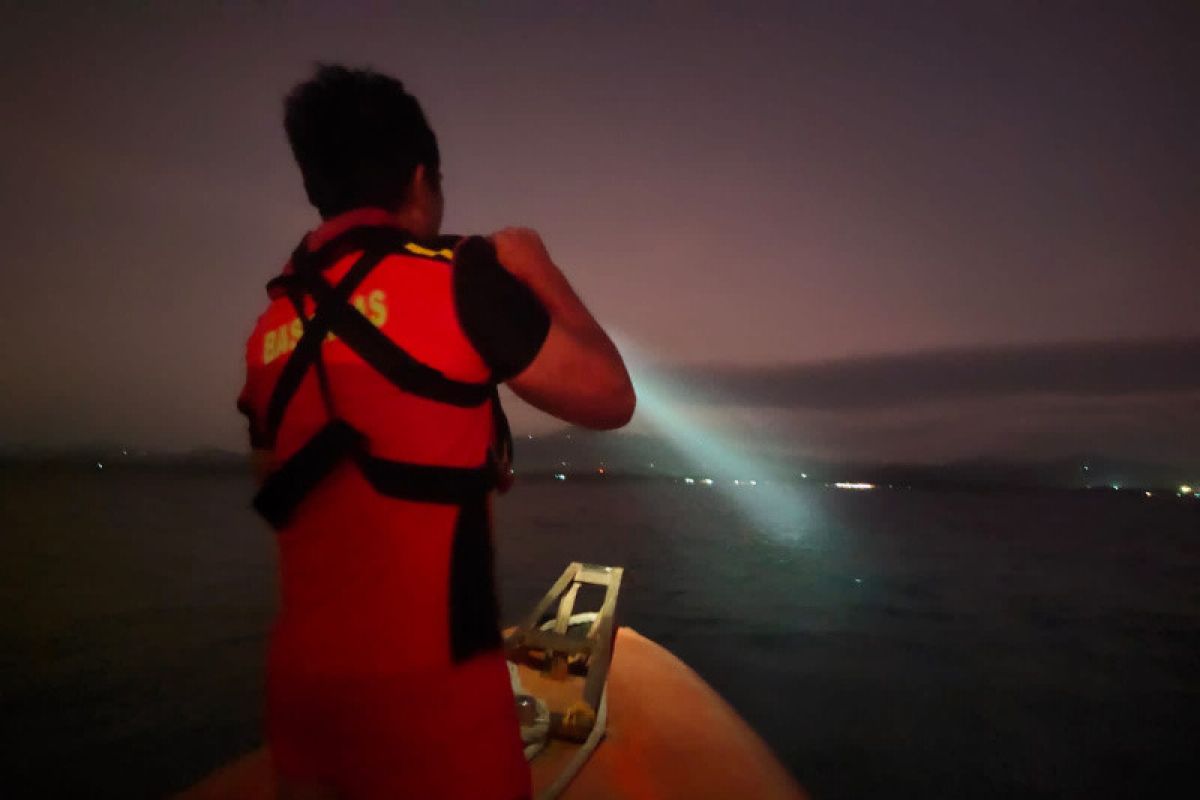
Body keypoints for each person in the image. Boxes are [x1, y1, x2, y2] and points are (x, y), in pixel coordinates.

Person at [236, 64, 634, 799]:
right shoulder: (460, 276)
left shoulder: (272, 324)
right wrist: (537, 266)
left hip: (302, 707)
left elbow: (280, 480)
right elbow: (612, 396)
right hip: (437, 713)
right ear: (420, 182)